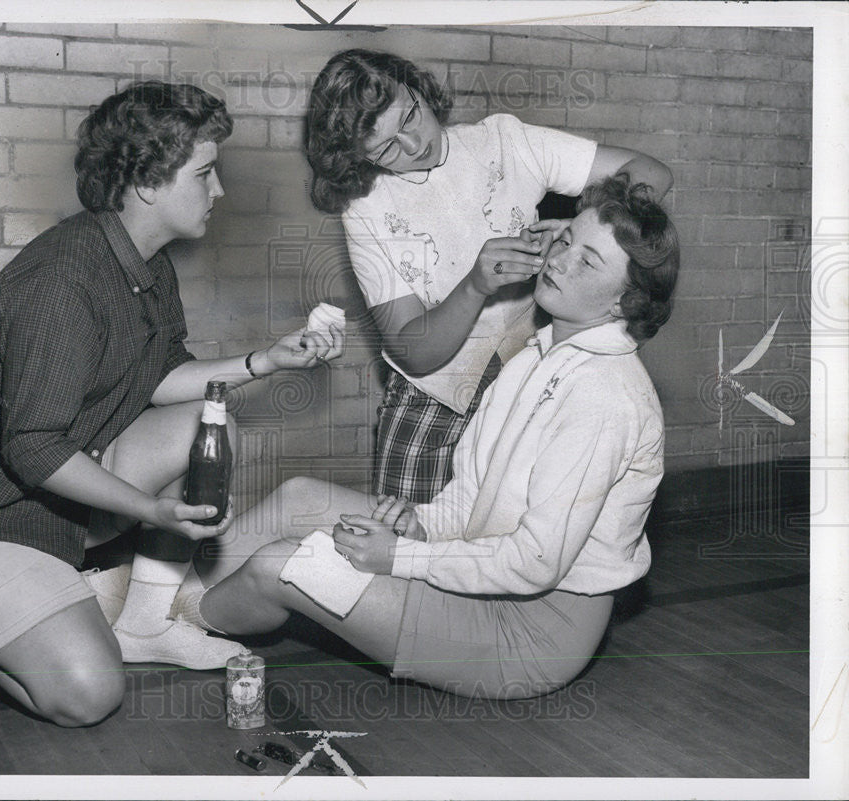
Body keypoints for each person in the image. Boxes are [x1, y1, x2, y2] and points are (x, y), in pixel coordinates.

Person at [0, 81, 343, 727]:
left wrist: (264, 361)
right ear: (149, 183)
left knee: (204, 424)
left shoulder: (143, 259)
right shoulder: (62, 282)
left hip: (36, 496)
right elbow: (34, 445)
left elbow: (161, 376)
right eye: (206, 174)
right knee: (88, 694)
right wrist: (154, 510)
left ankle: (145, 624)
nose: (220, 191)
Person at [179, 175, 679, 700]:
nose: (559, 259)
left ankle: (174, 622)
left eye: (588, 261)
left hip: (530, 633)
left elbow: (535, 563)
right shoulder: (541, 352)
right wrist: (420, 526)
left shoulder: (606, 394)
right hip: (484, 576)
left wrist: (399, 558)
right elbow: (469, 495)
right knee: (298, 499)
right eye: (567, 239)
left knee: (282, 566)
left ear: (624, 302)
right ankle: (162, 603)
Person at [306, 49, 674, 503]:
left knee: (503, 549)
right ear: (357, 158)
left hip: (529, 383)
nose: (413, 145)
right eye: (384, 148)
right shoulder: (365, 209)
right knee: (398, 547)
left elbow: (650, 173)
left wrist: (584, 226)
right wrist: (475, 285)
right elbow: (414, 352)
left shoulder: (504, 141)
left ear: (419, 88)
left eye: (410, 117)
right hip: (432, 401)